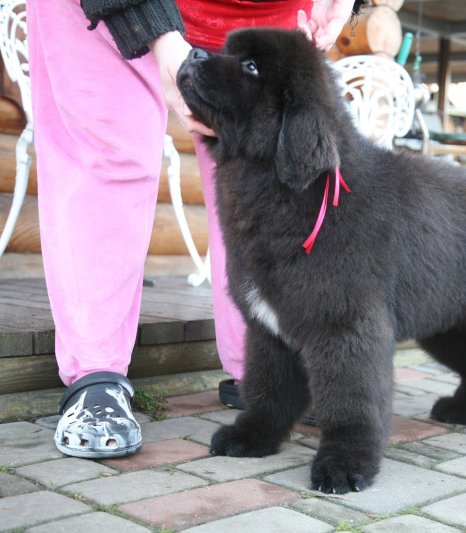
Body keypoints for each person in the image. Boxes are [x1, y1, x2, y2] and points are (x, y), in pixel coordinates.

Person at [28, 0, 364, 459]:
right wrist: (162, 40)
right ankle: (95, 375)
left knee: (260, 168)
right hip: (100, 10)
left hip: (262, 10)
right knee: (109, 155)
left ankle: (264, 370)